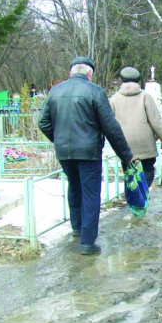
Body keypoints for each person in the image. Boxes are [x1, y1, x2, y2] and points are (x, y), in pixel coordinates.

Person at [38, 56, 134, 255]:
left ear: (71, 72)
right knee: (90, 193)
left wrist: (58, 140)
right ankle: (88, 242)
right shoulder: (95, 92)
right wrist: (126, 155)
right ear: (89, 74)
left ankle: (77, 227)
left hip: (64, 152)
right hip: (89, 152)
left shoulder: (55, 91)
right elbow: (111, 127)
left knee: (74, 187)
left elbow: (43, 123)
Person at [110, 67, 162, 189]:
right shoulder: (145, 97)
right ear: (138, 80)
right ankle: (143, 192)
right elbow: (156, 122)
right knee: (148, 169)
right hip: (145, 143)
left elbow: (110, 125)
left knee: (130, 172)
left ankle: (135, 197)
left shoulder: (113, 100)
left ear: (122, 80)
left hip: (125, 144)